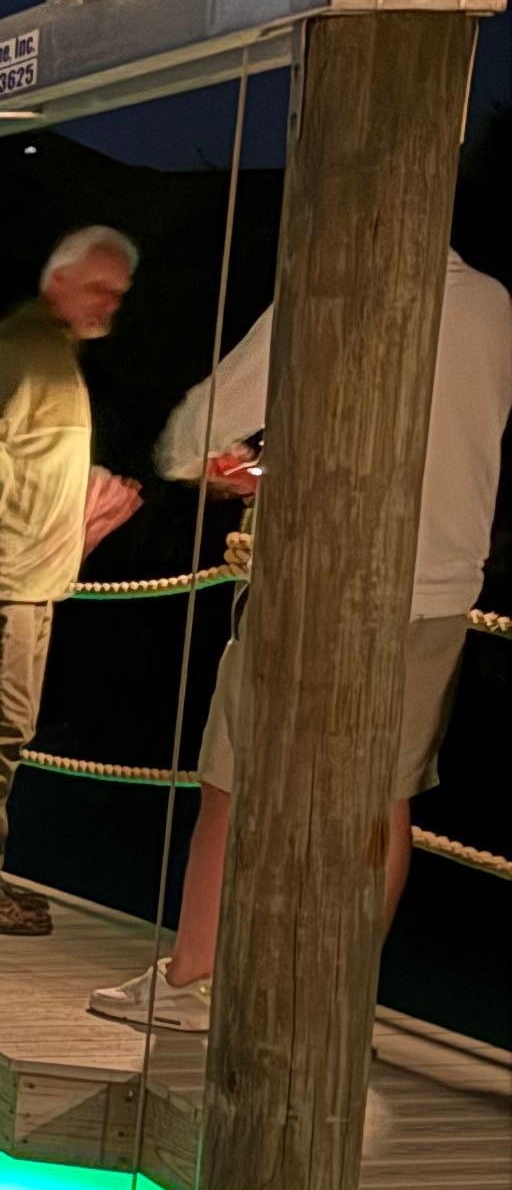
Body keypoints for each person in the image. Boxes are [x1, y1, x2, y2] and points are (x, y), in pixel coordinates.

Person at [90, 242, 512, 1028]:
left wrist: (245, 472)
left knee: (232, 774)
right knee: (381, 802)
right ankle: (333, 1002)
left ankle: (196, 978)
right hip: (441, 586)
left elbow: (193, 437)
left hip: (322, 586)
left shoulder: (335, 285)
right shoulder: (493, 304)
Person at [0, 225, 146, 931]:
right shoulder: (16, 351)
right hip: (1, 582)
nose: (110, 305)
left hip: (30, 576)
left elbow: (20, 459)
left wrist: (79, 511)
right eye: (99, 289)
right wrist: (31, 529)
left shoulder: (50, 353)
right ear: (59, 282)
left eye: (118, 294)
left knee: (3, 733)